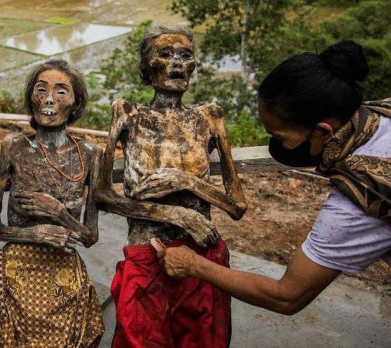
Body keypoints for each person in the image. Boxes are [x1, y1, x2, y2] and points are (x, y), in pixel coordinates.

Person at [153, 40, 391, 317]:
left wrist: (193, 265)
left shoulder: (358, 204)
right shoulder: (381, 111)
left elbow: (286, 297)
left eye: (281, 137)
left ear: (323, 132)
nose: (277, 145)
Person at [95, 25, 246, 347]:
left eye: (185, 55)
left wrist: (186, 181)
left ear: (193, 65)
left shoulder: (209, 117)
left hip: (202, 254)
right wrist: (177, 215)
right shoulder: (128, 113)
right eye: (165, 54)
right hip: (146, 254)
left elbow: (237, 205)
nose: (176, 63)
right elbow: (103, 196)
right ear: (148, 64)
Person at [0, 59, 104, 348]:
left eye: (61, 92)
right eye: (41, 89)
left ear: (76, 102)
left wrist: (59, 214)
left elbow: (91, 238)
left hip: (63, 274)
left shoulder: (91, 154)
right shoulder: (13, 147)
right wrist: (34, 234)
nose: (48, 98)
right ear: (31, 98)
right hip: (14, 272)